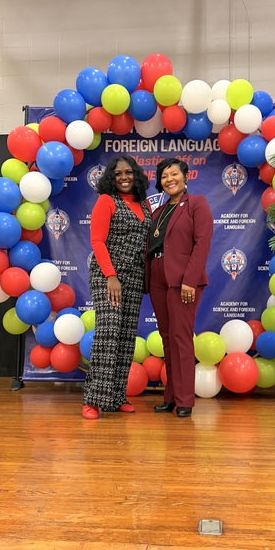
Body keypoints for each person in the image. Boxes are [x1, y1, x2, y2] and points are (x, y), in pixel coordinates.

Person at [82, 155, 152, 420]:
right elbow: (97, 241)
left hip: (134, 278)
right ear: (112, 177)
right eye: (119, 173)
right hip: (108, 276)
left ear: (136, 175)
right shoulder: (106, 201)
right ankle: (93, 400)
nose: (124, 177)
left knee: (125, 336)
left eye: (129, 172)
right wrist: (111, 276)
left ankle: (115, 397)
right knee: (108, 334)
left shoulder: (144, 204)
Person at [147, 158, 213, 418]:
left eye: (174, 174)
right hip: (156, 278)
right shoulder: (157, 212)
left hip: (184, 280)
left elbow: (202, 243)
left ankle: (185, 399)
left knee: (181, 338)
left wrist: (190, 280)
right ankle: (171, 396)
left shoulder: (197, 204)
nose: (169, 179)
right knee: (167, 338)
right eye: (164, 176)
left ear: (185, 178)